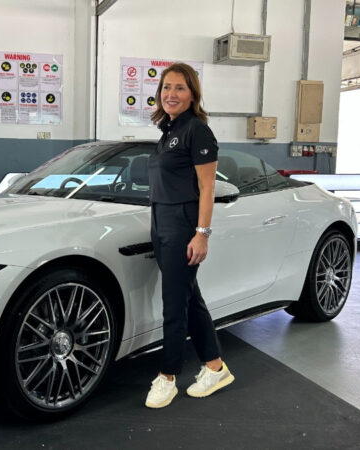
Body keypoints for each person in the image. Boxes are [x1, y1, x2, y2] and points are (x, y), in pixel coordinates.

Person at [144, 62, 234, 409]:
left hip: (182, 225)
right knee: (189, 298)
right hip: (161, 221)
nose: (171, 94)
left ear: (193, 94)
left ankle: (167, 376)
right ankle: (214, 367)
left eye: (180, 87)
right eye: (166, 87)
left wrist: (202, 234)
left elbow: (207, 187)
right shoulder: (169, 130)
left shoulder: (197, 130)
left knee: (174, 305)